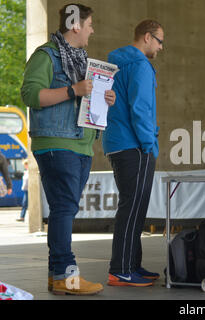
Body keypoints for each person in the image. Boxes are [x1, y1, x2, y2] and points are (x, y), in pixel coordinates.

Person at [21, 3, 115, 295]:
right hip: (57, 144)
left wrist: (104, 97)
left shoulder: (83, 61)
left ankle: (57, 275)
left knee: (66, 209)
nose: (92, 30)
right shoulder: (45, 55)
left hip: (80, 144)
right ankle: (66, 274)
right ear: (76, 25)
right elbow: (30, 94)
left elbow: (82, 100)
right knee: (64, 208)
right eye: (89, 25)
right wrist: (73, 90)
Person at [103, 20, 163, 287]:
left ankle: (132, 265)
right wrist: (148, 144)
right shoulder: (140, 65)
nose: (161, 47)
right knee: (132, 208)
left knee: (133, 207)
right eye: (160, 41)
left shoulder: (116, 64)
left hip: (116, 142)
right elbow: (140, 109)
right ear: (148, 38)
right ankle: (121, 270)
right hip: (134, 145)